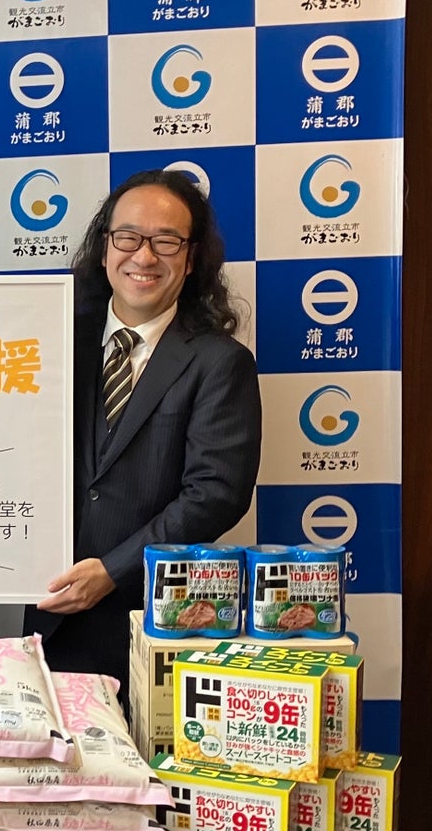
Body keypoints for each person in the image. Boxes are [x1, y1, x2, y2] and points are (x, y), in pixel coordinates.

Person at [26, 169, 262, 687]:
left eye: (167, 241)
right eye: (128, 237)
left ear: (192, 258)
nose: (145, 256)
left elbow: (216, 494)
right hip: (49, 614)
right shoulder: (49, 339)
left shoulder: (220, 363)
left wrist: (113, 571)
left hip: (153, 622)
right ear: (105, 247)